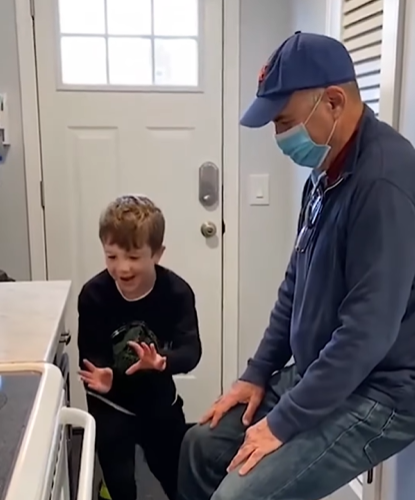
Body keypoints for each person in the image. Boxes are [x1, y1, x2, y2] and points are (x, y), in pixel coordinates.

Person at [178, 31, 415, 500]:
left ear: (332, 101)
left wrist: (282, 423)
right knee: (201, 445)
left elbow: (366, 333)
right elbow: (296, 284)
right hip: (321, 372)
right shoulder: (325, 171)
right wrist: (256, 373)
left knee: (238, 496)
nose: (278, 136)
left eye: (284, 121)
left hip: (380, 391)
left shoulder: (384, 183)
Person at [77, 194, 201, 500]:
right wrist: (106, 378)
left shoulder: (176, 293)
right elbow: (91, 358)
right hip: (111, 402)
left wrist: (161, 362)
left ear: (157, 253)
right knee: (120, 483)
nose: (122, 268)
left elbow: (191, 351)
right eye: (111, 257)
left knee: (177, 480)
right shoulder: (93, 295)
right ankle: (109, 487)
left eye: (132, 257)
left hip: (158, 398)